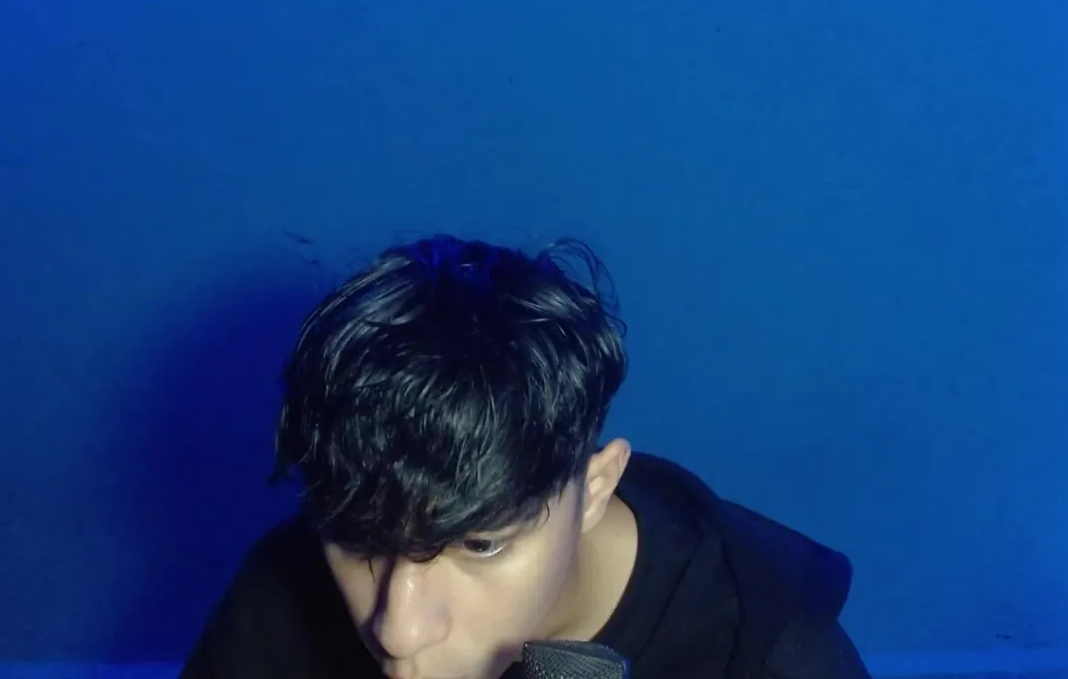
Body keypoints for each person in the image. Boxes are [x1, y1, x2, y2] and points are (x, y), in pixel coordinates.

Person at [179, 235, 871, 679]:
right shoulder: (279, 594)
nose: (398, 631)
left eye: (481, 544)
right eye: (359, 542)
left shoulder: (768, 650)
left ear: (595, 488)